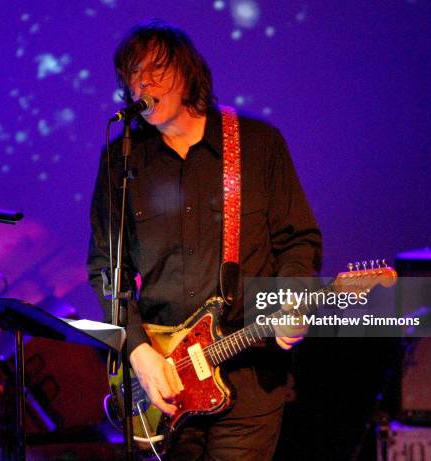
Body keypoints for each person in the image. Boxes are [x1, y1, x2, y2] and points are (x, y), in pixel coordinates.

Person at [88, 19, 322, 461]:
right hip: (164, 382)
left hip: (249, 373)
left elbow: (298, 239)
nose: (144, 83)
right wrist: (138, 352)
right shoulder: (122, 158)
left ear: (189, 73)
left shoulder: (256, 144)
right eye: (134, 75)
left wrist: (293, 302)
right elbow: (105, 266)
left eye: (157, 69)